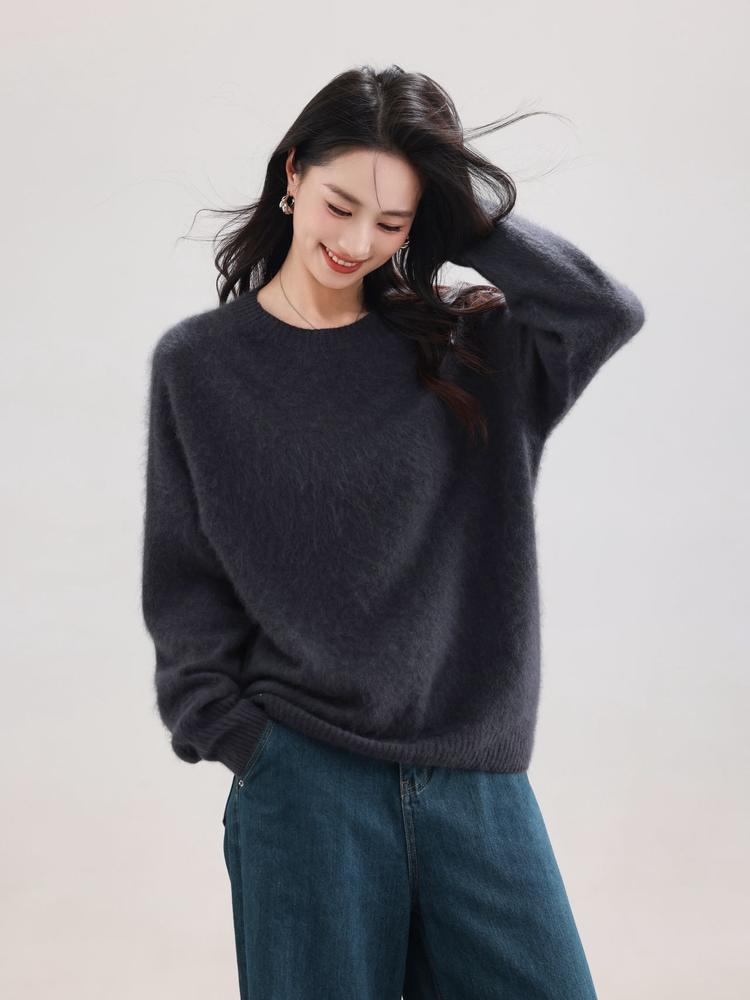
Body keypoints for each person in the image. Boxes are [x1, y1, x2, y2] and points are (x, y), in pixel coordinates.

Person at [141, 64, 646, 999]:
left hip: (477, 784)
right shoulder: (200, 366)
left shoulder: (470, 351)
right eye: (340, 205)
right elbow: (186, 582)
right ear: (292, 173)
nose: (355, 242)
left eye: (392, 222)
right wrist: (239, 739)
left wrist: (470, 220)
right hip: (305, 785)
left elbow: (602, 312)